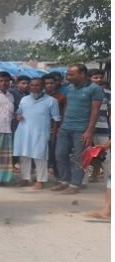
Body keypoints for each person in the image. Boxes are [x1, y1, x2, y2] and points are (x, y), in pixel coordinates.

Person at [52, 64, 104, 194]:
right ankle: (64, 181)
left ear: (82, 74)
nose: (68, 76)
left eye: (71, 74)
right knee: (60, 154)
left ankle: (75, 185)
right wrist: (61, 125)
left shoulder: (94, 89)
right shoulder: (69, 88)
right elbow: (67, 107)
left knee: (79, 158)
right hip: (66, 127)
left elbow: (95, 111)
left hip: (81, 129)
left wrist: (89, 131)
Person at [13, 78, 61, 190]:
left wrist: (53, 135)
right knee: (24, 155)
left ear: (43, 86)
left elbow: (56, 119)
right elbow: (18, 112)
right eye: (32, 85)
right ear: (30, 86)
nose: (35, 87)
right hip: (23, 132)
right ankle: (25, 178)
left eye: (38, 85)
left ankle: (40, 180)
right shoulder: (24, 99)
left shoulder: (51, 101)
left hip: (41, 133)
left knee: (40, 156)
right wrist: (17, 116)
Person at [43, 74, 67, 178]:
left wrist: (59, 129)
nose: (49, 85)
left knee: (56, 153)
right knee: (42, 152)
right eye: (47, 83)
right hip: (41, 128)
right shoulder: (39, 97)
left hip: (56, 128)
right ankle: (41, 175)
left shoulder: (61, 97)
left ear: (56, 83)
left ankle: (59, 176)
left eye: (51, 83)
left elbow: (64, 114)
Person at [88, 69, 109, 182]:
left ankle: (109, 183)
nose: (99, 79)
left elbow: (110, 112)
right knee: (88, 154)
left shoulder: (108, 93)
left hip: (103, 128)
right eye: (95, 77)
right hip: (86, 128)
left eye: (100, 77)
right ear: (89, 78)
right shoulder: (85, 91)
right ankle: (87, 178)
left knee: (105, 156)